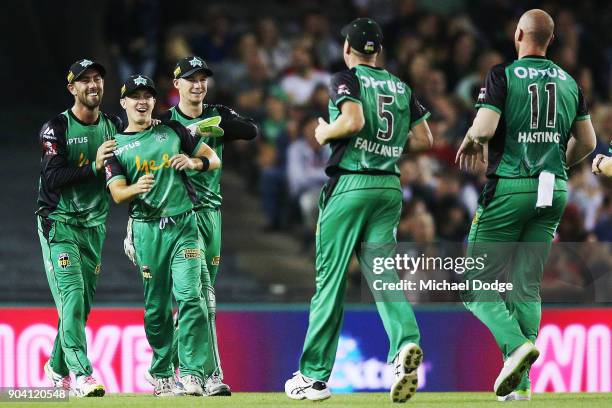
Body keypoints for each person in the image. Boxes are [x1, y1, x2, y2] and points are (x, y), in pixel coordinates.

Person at [284, 18, 433, 403]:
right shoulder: (401, 86)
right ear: (378, 51)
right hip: (389, 188)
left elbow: (353, 120)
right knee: (383, 277)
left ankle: (314, 378)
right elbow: (424, 139)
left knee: (330, 282)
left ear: (348, 48)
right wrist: (387, 149)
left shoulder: (345, 79)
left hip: (351, 185)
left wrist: (325, 132)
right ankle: (405, 346)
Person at [455, 9, 596, 401]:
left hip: (510, 188)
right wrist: (555, 165)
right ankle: (520, 387)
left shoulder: (502, 75)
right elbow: (588, 142)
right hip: (553, 191)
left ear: (519, 34)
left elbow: (484, 127)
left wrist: (472, 137)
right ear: (550, 40)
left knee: (474, 285)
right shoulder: (569, 81)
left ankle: (515, 347)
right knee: (526, 286)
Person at [105, 75, 220, 397]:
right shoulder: (116, 145)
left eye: (148, 96)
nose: (142, 101)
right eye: (135, 96)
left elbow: (214, 159)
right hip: (147, 231)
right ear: (124, 103)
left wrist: (194, 162)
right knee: (157, 308)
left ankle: (194, 373)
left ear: (154, 101)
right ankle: (161, 372)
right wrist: (134, 188)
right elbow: (116, 193)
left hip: (184, 226)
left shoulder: (172, 130)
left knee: (190, 298)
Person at [158, 56, 258, 396]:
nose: (198, 85)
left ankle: (167, 370)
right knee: (201, 299)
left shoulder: (217, 112)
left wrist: (210, 127)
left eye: (202, 79)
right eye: (190, 79)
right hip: (181, 216)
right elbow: (151, 173)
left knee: (200, 300)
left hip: (212, 214)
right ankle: (202, 373)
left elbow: (251, 130)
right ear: (177, 85)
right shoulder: (166, 123)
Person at [37, 59, 120, 397]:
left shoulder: (114, 125)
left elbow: (128, 163)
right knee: (71, 296)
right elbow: (53, 177)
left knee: (81, 305)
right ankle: (81, 372)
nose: (92, 85)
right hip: (60, 223)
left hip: (94, 225)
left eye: (97, 78)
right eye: (84, 80)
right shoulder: (55, 128)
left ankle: (55, 366)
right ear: (72, 88)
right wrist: (96, 167)